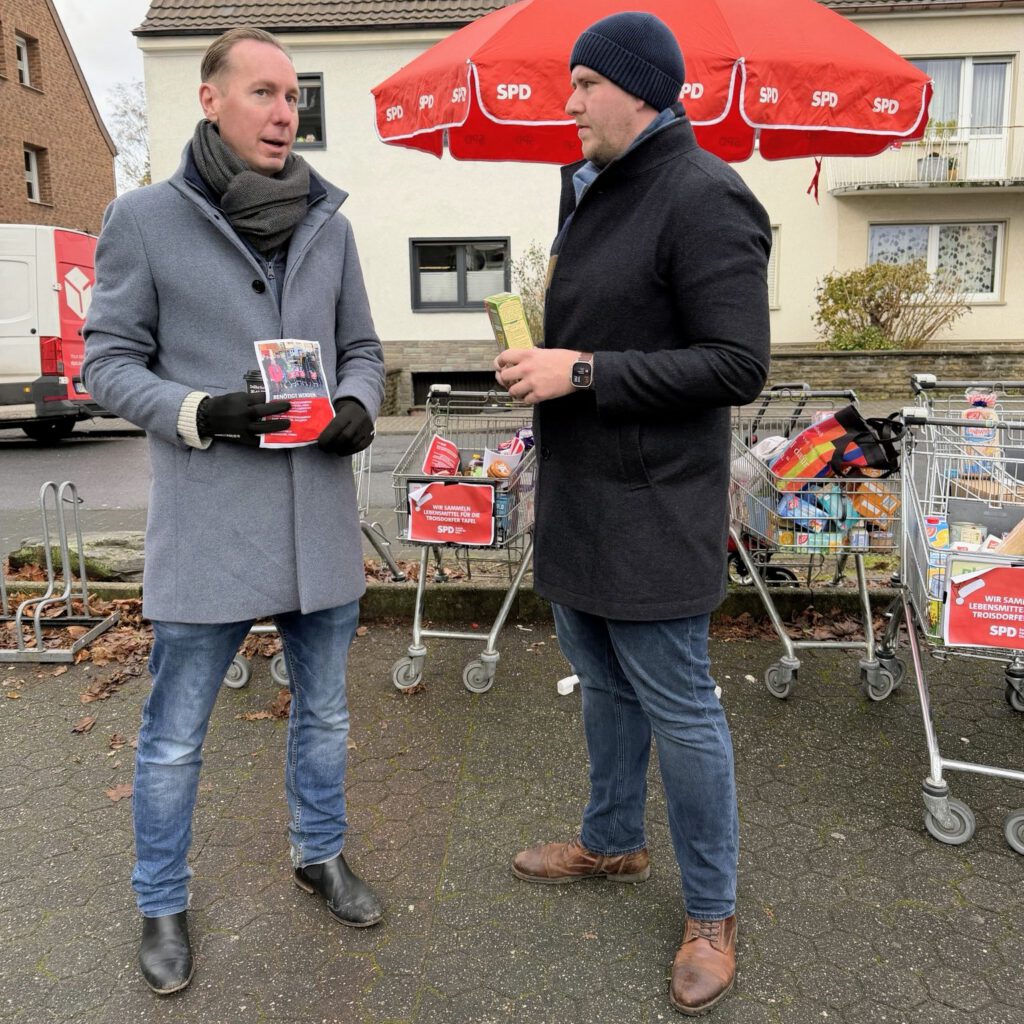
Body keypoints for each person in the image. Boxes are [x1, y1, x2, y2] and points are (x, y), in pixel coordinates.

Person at [82, 27, 386, 996]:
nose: (285, 112)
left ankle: (318, 853)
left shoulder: (330, 224)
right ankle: (161, 901)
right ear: (209, 100)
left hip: (317, 523)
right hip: (210, 526)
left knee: (325, 712)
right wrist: (196, 412)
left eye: (293, 96)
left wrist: (356, 405)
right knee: (175, 734)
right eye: (264, 92)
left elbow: (363, 351)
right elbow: (106, 363)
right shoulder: (142, 220)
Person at [493, 12, 770, 1017]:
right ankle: (611, 841)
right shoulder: (589, 187)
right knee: (604, 688)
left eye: (583, 84)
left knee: (682, 711)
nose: (566, 103)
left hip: (654, 510)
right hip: (577, 501)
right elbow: (608, 330)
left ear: (642, 89)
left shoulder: (704, 193)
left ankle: (712, 911)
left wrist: (583, 370)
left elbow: (736, 364)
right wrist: (544, 351)